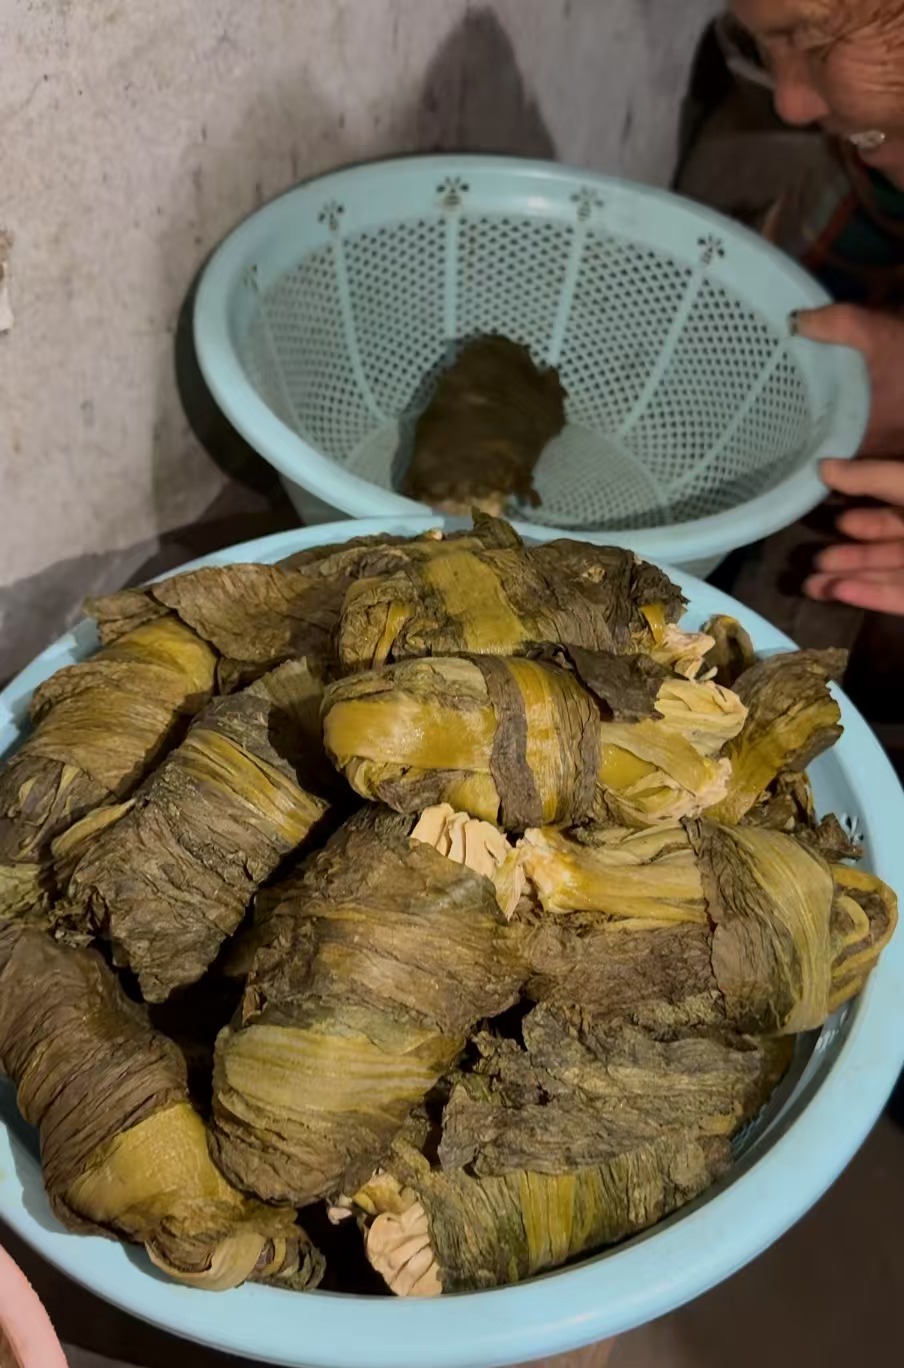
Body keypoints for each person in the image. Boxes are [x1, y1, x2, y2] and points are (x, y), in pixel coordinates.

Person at [732, 1, 904, 614]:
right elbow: (761, 310)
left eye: (811, 40)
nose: (791, 103)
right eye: (766, 44)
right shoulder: (880, 145)